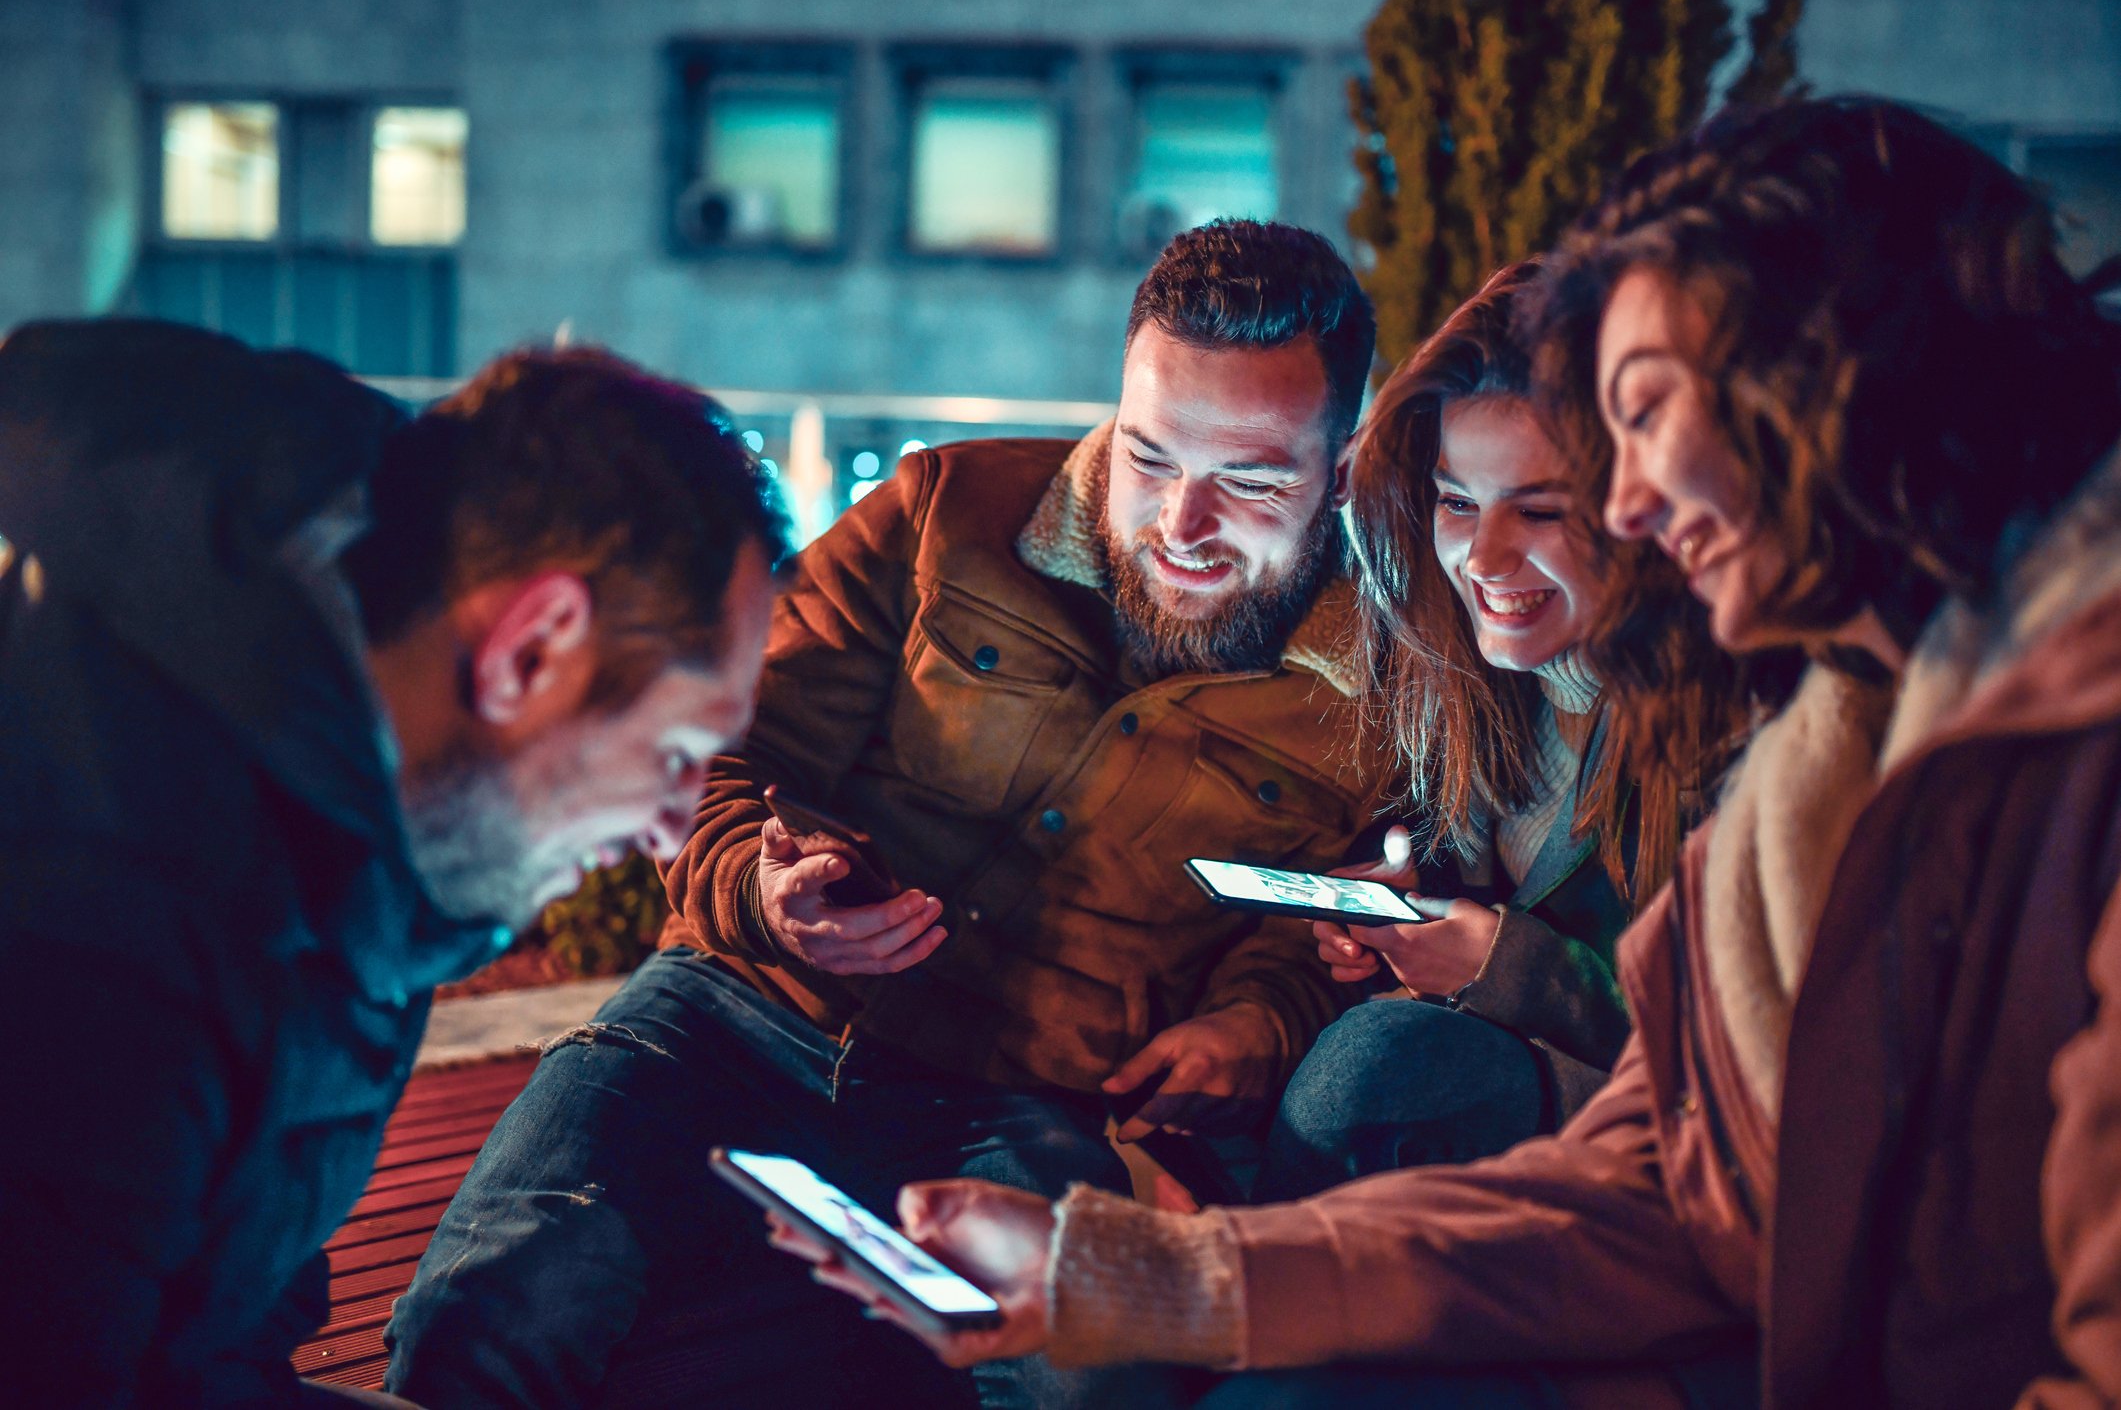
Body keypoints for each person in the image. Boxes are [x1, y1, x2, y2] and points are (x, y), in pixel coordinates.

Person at [782, 97, 2121, 1409]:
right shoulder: (1813, 762)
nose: (1637, 499)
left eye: (1646, 419)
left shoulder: (2032, 754)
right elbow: (1651, 1178)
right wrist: (1139, 1272)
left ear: (1849, 386)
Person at [384, 219, 1398, 1410]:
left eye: (1251, 479)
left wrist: (1254, 1027)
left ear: (1340, 473)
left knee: (1105, 1382)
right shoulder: (941, 509)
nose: (1183, 525)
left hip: (1026, 1096)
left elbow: (1318, 932)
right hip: (732, 1012)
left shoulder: (1378, 692)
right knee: (497, 1298)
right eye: (1152, 458)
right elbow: (719, 750)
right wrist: (764, 895)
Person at [0, 325, 785, 1406]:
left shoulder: (375, 807)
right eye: (675, 753)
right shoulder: (114, 944)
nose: (670, 829)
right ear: (534, 650)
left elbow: (217, 1320)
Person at [1255, 262, 1755, 1199]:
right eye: (1455, 502)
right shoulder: (1463, 682)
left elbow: (1753, 1063)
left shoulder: (1745, 724)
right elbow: (1459, 883)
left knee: (1385, 1071)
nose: (1480, 557)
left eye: (1539, 510)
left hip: (1673, 1150)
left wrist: (1504, 968)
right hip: (1504, 1129)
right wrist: (1406, 902)